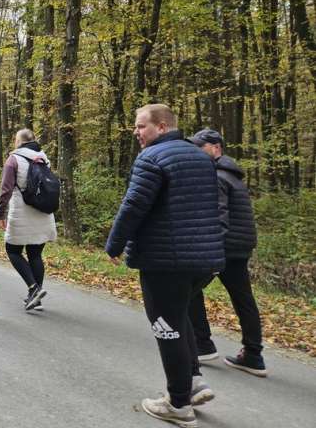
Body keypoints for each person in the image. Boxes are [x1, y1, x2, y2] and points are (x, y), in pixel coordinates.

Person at [105, 104, 224, 427]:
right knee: (180, 315)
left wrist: (114, 243)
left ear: (161, 127)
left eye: (140, 126)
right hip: (203, 259)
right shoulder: (201, 157)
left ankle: (178, 403)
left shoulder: (152, 158)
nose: (136, 133)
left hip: (165, 259)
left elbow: (134, 205)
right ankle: (194, 382)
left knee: (165, 326)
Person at [187, 128, 266, 377]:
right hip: (240, 247)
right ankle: (253, 355)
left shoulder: (217, 175)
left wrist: (210, 251)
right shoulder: (233, 175)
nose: (196, 152)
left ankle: (203, 344)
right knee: (243, 299)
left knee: (187, 290)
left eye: (200, 147)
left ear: (216, 148)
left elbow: (219, 216)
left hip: (223, 247)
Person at [0, 129, 57, 312]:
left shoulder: (13, 159)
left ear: (19, 141)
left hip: (21, 213)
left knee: (12, 250)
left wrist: (1, 213)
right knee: (35, 254)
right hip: (44, 213)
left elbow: (6, 190)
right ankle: (36, 299)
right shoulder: (43, 158)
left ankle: (34, 288)